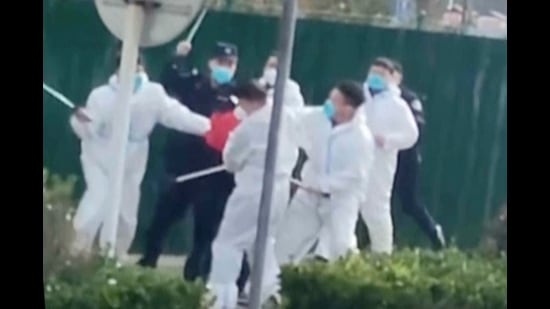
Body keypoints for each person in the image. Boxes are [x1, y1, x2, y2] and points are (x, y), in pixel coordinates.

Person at [70, 51, 211, 257]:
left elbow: (178, 115)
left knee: (126, 212)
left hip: (133, 158)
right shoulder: (101, 95)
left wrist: (210, 127)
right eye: (127, 67)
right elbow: (88, 129)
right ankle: (77, 254)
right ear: (117, 69)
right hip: (100, 155)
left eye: (137, 66)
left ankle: (114, 256)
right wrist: (82, 122)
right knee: (97, 201)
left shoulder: (153, 93)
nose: (133, 71)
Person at [137, 41, 249, 290]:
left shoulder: (237, 96)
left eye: (230, 63)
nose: (225, 67)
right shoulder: (194, 83)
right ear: (210, 63)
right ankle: (147, 263)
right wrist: (177, 57)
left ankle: (193, 278)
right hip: (183, 165)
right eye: (221, 62)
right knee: (162, 219)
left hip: (214, 173)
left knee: (205, 228)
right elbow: (169, 80)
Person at [208, 81, 297, 308]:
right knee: (263, 242)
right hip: (281, 188)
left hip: (252, 189)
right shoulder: (285, 116)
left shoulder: (247, 128)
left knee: (228, 243)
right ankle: (271, 289)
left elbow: (231, 161)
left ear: (246, 100)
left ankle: (221, 296)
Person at [275, 81, 375, 264]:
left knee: (341, 247)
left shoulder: (361, 138)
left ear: (349, 108)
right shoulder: (318, 117)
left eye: (335, 101)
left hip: (341, 200)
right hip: (308, 194)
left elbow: (354, 176)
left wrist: (323, 185)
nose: (328, 104)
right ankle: (267, 287)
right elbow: (291, 118)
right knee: (287, 242)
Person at [358, 57, 419, 254]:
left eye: (381, 75)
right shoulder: (358, 96)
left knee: (376, 209)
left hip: (380, 161)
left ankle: (382, 253)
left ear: (391, 78)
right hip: (354, 158)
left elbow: (411, 134)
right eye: (373, 73)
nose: (375, 78)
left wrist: (388, 140)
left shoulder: (397, 105)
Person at [390, 60, 446, 249]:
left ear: (397, 77)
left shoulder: (408, 98)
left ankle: (433, 232)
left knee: (408, 201)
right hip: (382, 156)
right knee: (379, 200)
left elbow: (416, 128)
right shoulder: (371, 98)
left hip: (406, 156)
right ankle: (384, 242)